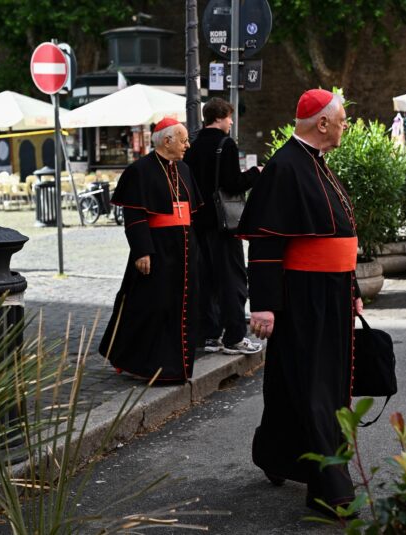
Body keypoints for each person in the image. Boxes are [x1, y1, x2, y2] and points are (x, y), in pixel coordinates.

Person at [237, 89, 363, 516]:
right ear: (322, 123)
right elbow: (267, 243)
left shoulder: (318, 164)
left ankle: (276, 453)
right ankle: (330, 487)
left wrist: (354, 290)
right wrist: (264, 305)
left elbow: (339, 237)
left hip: (333, 292)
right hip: (305, 296)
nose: (345, 126)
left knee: (305, 384)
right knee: (316, 387)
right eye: (342, 120)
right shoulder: (285, 167)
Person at [99, 118, 202, 382]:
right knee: (151, 308)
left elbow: (192, 214)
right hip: (157, 250)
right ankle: (147, 364)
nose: (187, 145)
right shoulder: (140, 171)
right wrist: (142, 251)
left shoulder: (185, 170)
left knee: (180, 308)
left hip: (185, 251)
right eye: (183, 140)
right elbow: (134, 215)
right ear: (167, 141)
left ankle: (176, 367)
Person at [184, 98, 262, 355]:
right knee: (233, 279)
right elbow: (233, 182)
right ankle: (235, 337)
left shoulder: (192, 147)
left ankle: (210, 334)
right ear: (219, 117)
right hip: (224, 224)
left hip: (199, 222)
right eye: (229, 117)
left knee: (207, 279)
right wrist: (255, 173)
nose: (231, 122)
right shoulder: (225, 144)